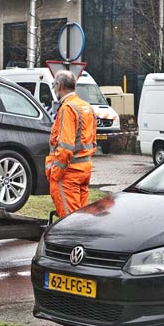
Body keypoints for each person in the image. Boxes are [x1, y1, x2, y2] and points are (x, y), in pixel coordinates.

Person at [45, 70, 97, 218]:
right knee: (80, 218)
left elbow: (65, 147)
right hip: (84, 170)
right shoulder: (86, 106)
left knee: (70, 221)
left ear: (60, 85)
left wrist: (55, 175)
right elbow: (92, 142)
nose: (55, 89)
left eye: (54, 85)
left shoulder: (68, 109)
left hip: (70, 174)